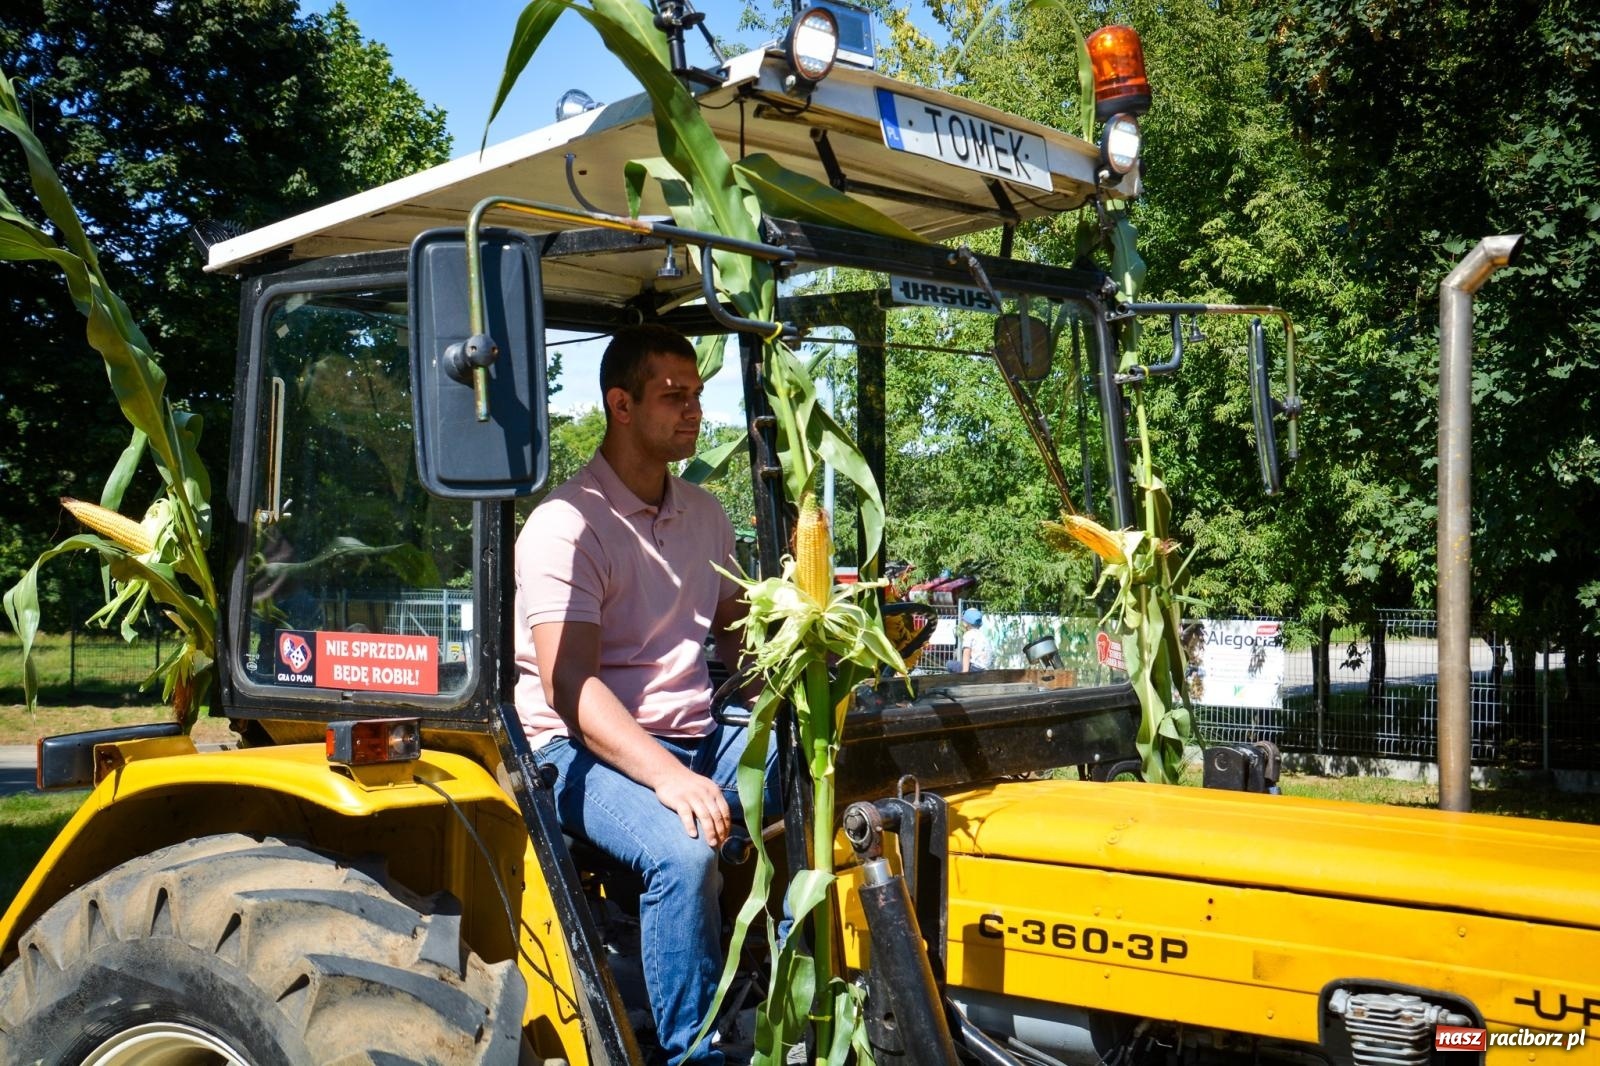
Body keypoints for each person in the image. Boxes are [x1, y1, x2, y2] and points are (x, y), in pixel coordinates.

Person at [512, 324, 771, 1066]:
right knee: (682, 851)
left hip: (695, 732)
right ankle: (697, 1053)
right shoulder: (567, 526)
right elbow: (570, 685)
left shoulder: (705, 514)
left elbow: (732, 634)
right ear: (620, 406)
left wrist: (785, 663)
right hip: (575, 752)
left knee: (826, 773)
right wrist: (671, 777)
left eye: (695, 395)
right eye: (673, 396)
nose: (694, 411)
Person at [956, 606, 993, 673]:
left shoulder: (968, 634)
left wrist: (965, 671)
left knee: (950, 664)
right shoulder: (983, 635)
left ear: (965, 624)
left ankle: (960, 682)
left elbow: (967, 652)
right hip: (985, 669)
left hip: (975, 669)